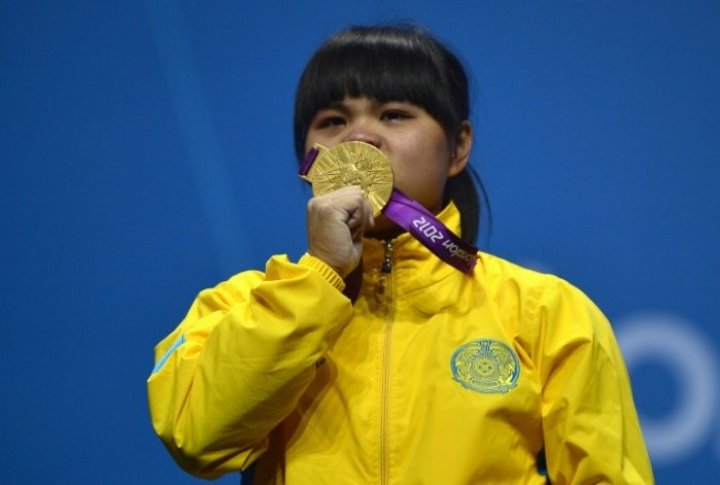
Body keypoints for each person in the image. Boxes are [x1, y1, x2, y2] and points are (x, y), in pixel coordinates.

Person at [147, 24, 654, 484]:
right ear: (307, 159)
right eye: (332, 121)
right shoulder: (241, 307)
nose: (360, 137)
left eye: (394, 115)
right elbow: (197, 439)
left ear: (458, 147)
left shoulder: (548, 314)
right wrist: (319, 279)